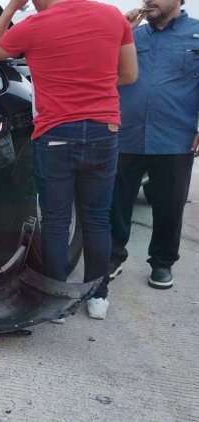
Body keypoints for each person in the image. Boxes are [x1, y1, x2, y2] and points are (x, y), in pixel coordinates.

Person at [0, 0, 138, 320]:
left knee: (55, 221)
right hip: (103, 131)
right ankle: (98, 298)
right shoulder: (112, 16)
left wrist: (11, 8)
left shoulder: (33, 25)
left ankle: (57, 303)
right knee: (97, 219)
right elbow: (129, 74)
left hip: (55, 135)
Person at [110, 0, 199, 290]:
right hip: (125, 133)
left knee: (169, 205)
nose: (149, 0)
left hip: (174, 135)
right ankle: (112, 257)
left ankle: (162, 263)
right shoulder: (130, 34)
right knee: (116, 202)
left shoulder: (196, 34)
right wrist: (120, 30)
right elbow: (103, 70)